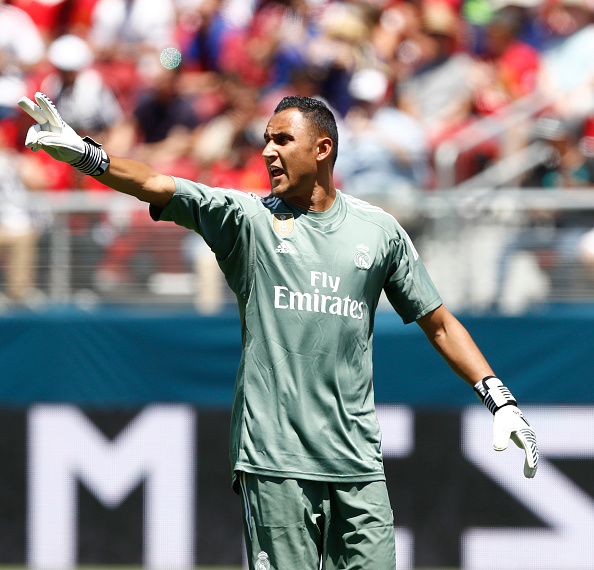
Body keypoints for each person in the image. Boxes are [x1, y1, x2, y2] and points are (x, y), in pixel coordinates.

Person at [19, 92, 539, 570]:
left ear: (322, 149)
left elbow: (440, 323)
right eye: (265, 140)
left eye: (282, 139)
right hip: (274, 461)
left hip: (357, 460)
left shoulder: (378, 231)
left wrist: (501, 400)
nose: (267, 151)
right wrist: (87, 156)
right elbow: (155, 183)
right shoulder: (246, 220)